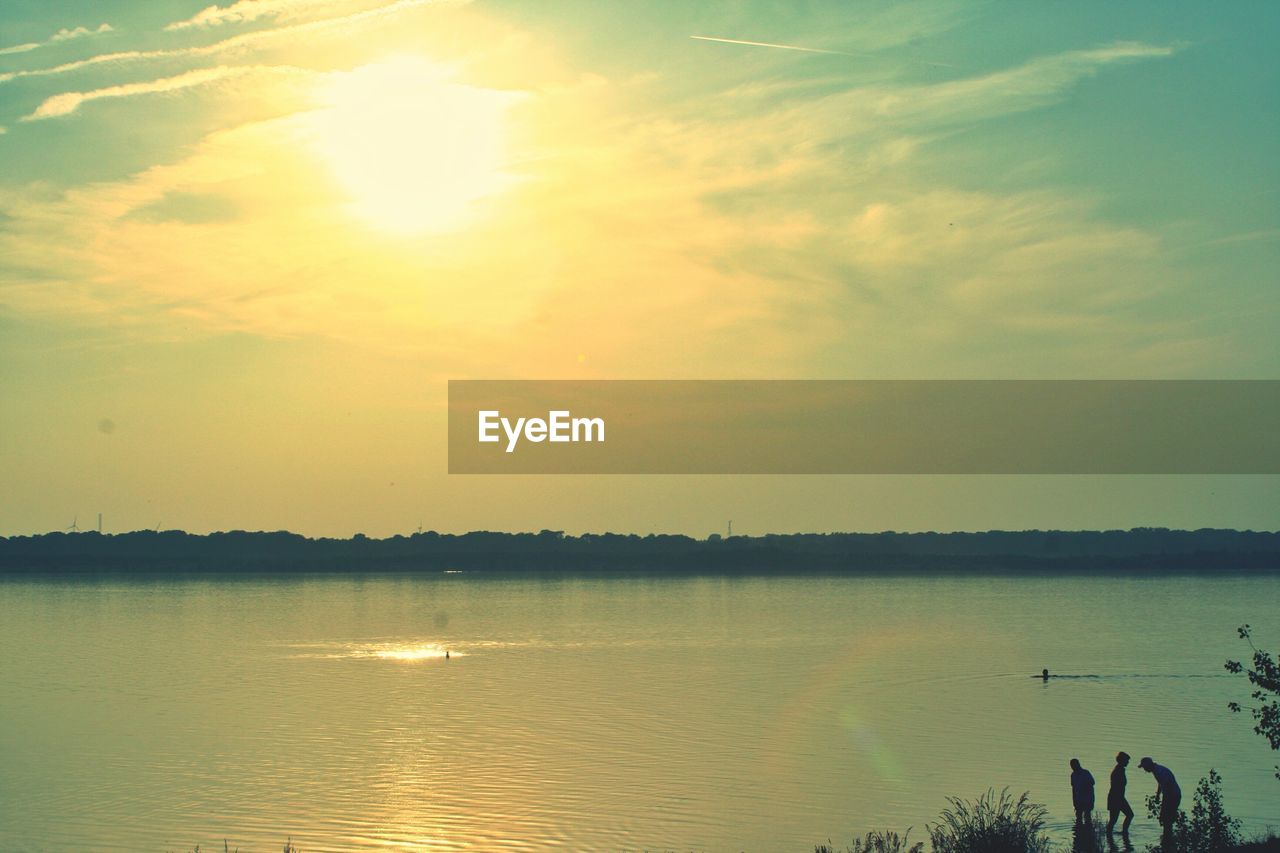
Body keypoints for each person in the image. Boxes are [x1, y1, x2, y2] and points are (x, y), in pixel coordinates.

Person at [1138, 757, 1181, 837]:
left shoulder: (1159, 771)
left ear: (1148, 765)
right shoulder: (1157, 770)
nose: (1144, 770)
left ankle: (1167, 837)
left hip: (1173, 796)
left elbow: (1165, 785)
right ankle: (1167, 837)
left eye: (1144, 767)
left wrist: (1163, 801)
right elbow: (1161, 784)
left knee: (1167, 819)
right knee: (1166, 818)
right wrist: (1158, 796)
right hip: (1172, 795)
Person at [1107, 751, 1134, 835]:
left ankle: (1124, 832)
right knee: (1114, 819)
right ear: (1122, 760)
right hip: (1116, 798)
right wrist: (1118, 800)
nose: (1128, 762)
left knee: (1129, 815)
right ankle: (1111, 834)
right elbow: (1116, 786)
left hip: (1119, 797)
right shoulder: (1118, 771)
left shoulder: (1120, 769)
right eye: (1127, 760)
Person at [1070, 758, 1095, 824]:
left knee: (1087, 817)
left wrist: (1091, 800)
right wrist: (1074, 801)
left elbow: (1092, 783)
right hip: (1078, 800)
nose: (1072, 768)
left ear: (1078, 765)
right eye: (1072, 766)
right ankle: (1079, 832)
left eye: (1074, 766)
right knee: (1078, 818)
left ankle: (1088, 832)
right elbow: (1073, 789)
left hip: (1087, 799)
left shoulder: (1086, 773)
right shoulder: (1073, 775)